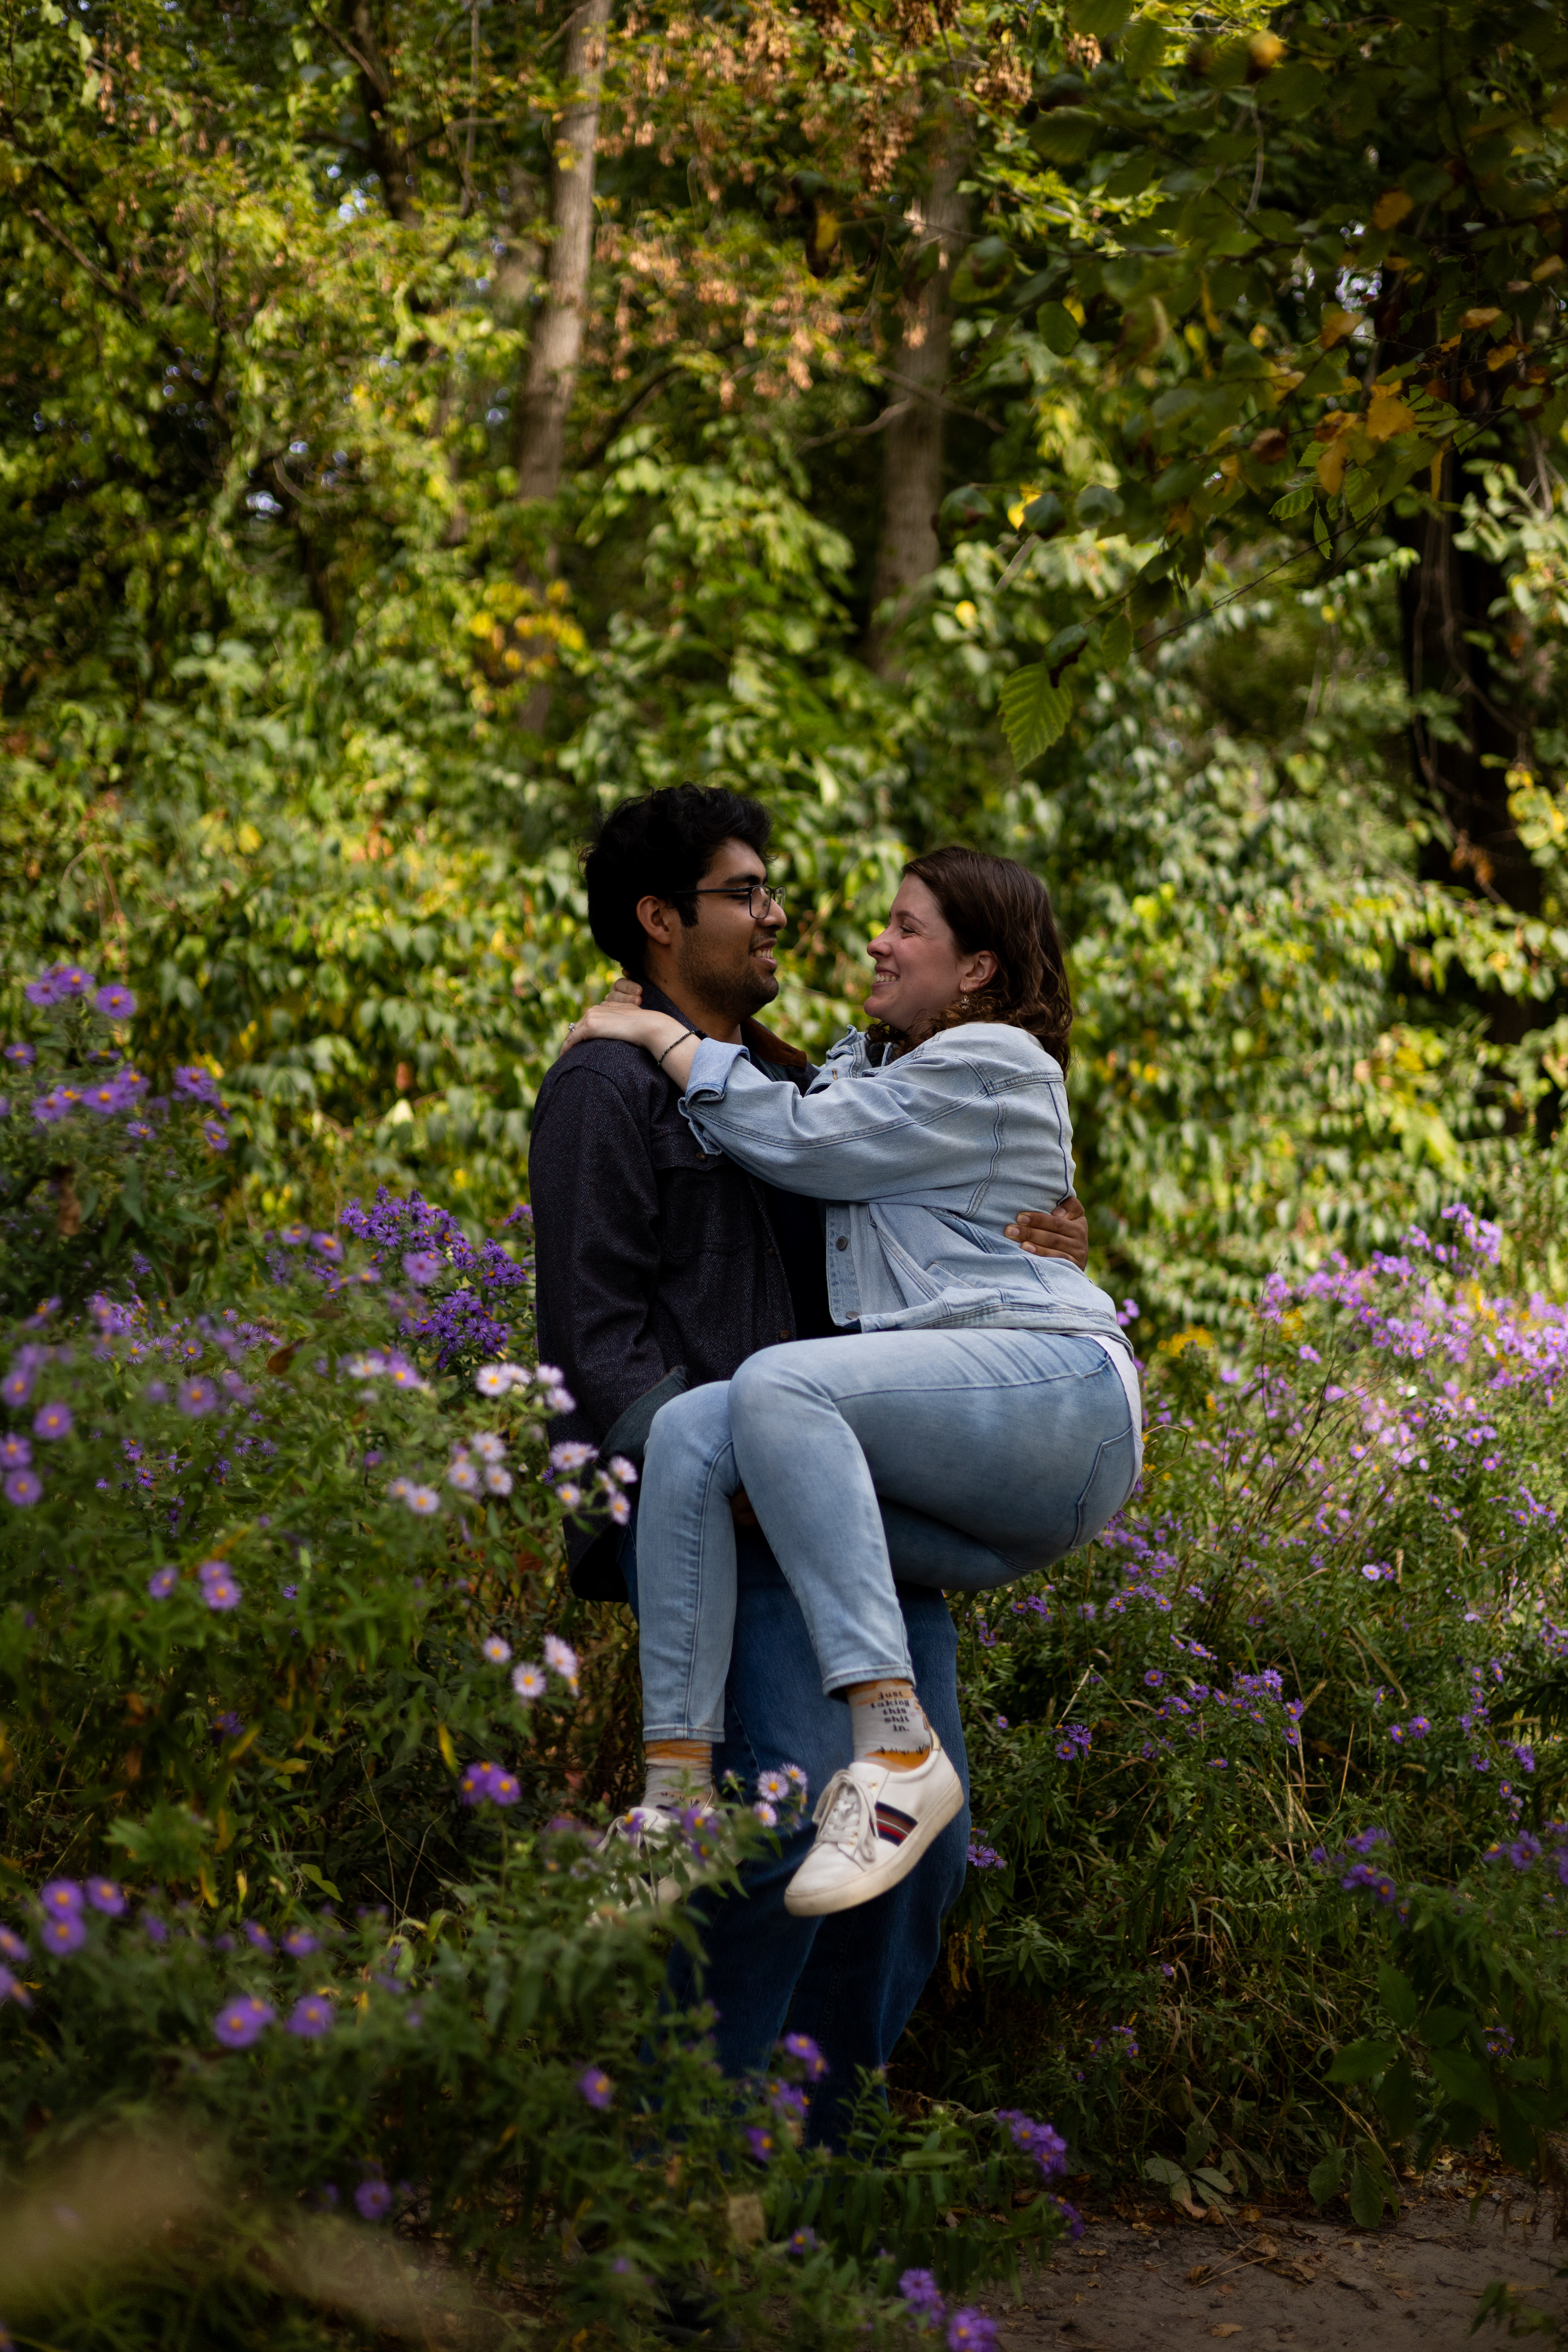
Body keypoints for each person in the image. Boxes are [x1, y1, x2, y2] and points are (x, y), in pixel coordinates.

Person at [527, 785, 1090, 2143]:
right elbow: (596, 1340)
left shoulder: (800, 1083)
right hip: (727, 1514)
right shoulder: (605, 1083)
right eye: (746, 892)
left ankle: (824, 2167)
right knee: (772, 1816)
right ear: (662, 920)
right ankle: (688, 2164)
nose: (778, 914)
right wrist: (707, 1478)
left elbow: (928, 1239)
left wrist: (1045, 1243)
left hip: (849, 1507)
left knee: (922, 1849)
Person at [565, 844, 1141, 1920]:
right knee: (693, 1432)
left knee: (782, 1386)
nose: (878, 941)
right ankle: (675, 1802)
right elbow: (798, 1115)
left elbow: (800, 1140)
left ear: (977, 969)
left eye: (908, 927)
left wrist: (655, 1033)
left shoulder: (993, 1059)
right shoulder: (873, 1066)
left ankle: (897, 1749)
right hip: (957, 1447)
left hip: (1058, 1397)